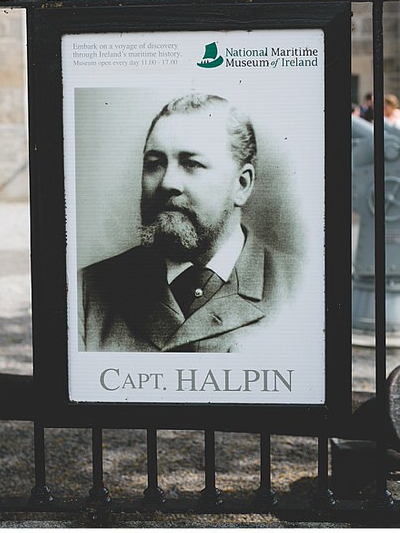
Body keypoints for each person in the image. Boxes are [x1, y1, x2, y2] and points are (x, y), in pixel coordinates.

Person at [80, 93, 294, 353]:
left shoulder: (301, 289)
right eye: (154, 164)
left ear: (242, 184)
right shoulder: (86, 292)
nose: (167, 182)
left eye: (192, 163)